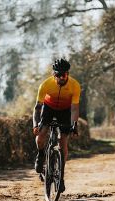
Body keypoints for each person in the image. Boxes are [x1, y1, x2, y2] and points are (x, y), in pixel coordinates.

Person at [32, 58, 81, 193]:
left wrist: (74, 125)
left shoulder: (75, 85)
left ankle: (61, 177)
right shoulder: (45, 85)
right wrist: (36, 124)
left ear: (68, 74)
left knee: (63, 142)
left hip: (65, 111)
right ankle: (41, 154)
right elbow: (37, 107)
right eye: (57, 74)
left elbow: (75, 108)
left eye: (63, 74)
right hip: (48, 108)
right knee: (41, 135)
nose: (60, 77)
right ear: (54, 74)